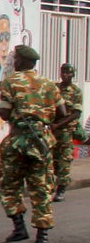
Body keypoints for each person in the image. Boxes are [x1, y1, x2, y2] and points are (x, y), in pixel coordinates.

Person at [0, 45, 66, 243]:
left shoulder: (10, 82)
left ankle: (19, 228)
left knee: (9, 186)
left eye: (16, 59)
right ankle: (42, 238)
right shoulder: (49, 84)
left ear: (21, 61)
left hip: (18, 142)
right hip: (42, 142)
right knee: (41, 188)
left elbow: (5, 115)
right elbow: (62, 112)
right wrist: (42, 118)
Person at [50, 63, 82, 202]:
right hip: (52, 131)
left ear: (72, 74)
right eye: (63, 72)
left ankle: (61, 189)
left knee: (64, 161)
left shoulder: (76, 91)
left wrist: (58, 125)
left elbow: (76, 114)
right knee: (51, 161)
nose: (65, 75)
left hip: (66, 131)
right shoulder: (55, 88)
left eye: (68, 72)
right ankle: (50, 186)